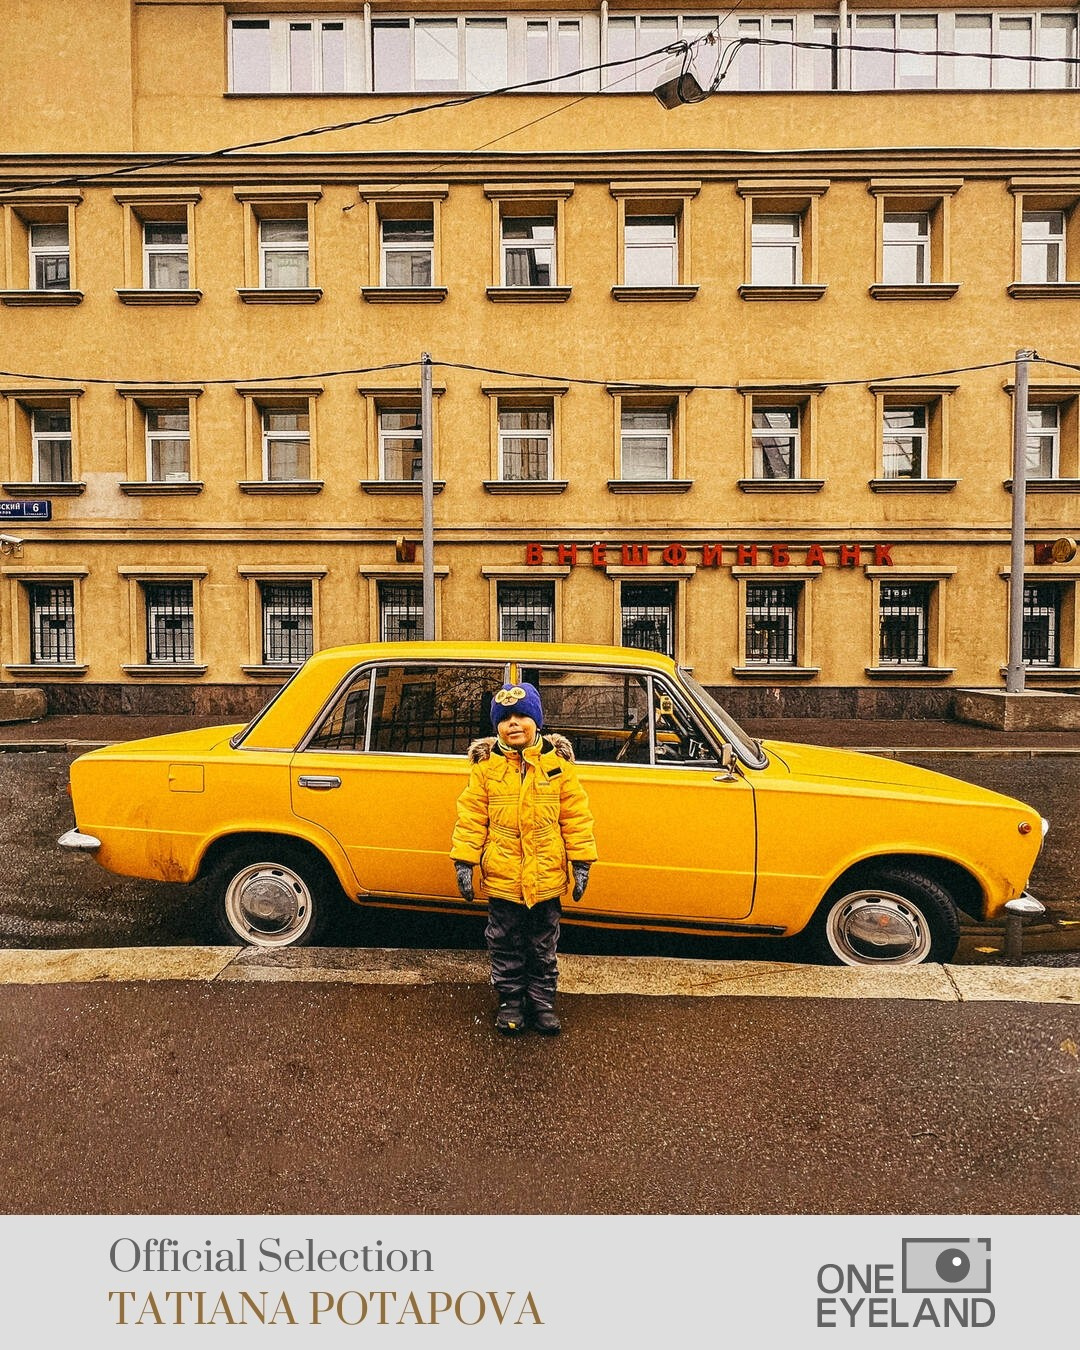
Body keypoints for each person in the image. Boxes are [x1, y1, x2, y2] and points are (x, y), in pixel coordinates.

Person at [450, 681, 597, 1036]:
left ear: (537, 721)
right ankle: (511, 1001)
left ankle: (542, 1002)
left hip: (545, 874)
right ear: (496, 726)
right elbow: (472, 816)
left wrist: (581, 861)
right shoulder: (486, 770)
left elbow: (575, 815)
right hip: (503, 876)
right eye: (505, 718)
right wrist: (464, 861)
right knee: (505, 941)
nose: (513, 723)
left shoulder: (557, 765)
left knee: (543, 943)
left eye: (522, 716)